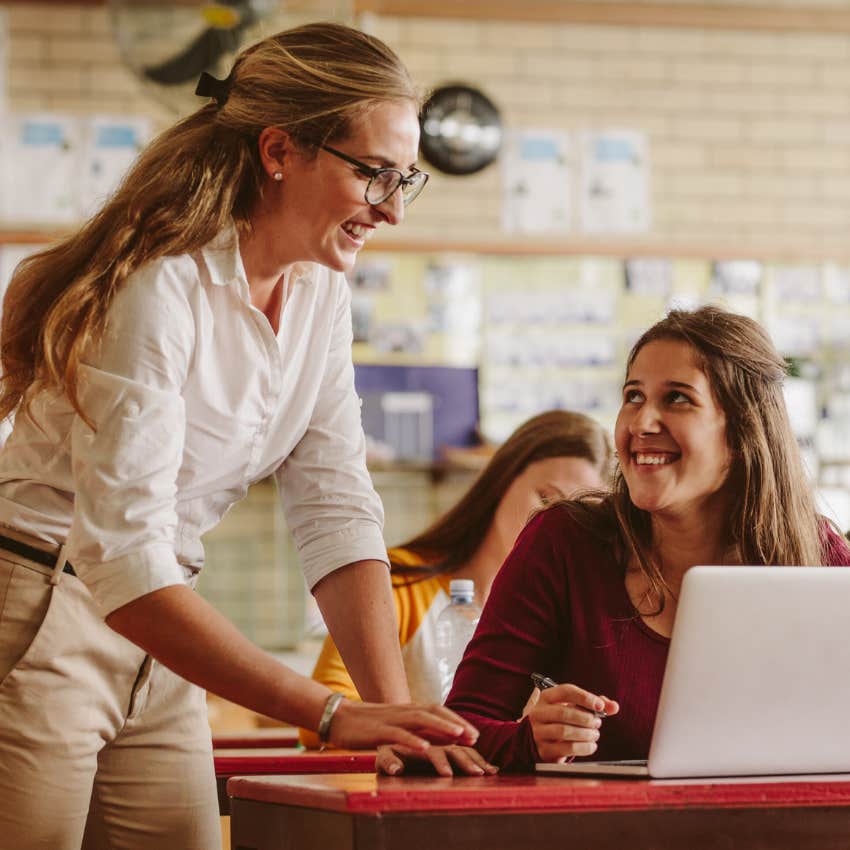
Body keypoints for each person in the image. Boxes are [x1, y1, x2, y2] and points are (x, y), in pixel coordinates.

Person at [0, 23, 477, 850]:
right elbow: (122, 558)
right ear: (280, 150)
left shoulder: (319, 290)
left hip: (161, 624)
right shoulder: (159, 286)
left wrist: (395, 722)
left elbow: (334, 504)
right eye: (372, 174)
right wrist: (331, 713)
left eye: (406, 179)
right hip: (43, 610)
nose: (393, 209)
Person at [377, 306, 850, 777]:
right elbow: (459, 730)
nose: (642, 422)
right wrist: (529, 739)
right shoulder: (565, 542)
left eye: (678, 399)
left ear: (745, 429)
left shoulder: (821, 559)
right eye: (633, 396)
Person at [301, 409, 613, 750]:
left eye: (575, 518)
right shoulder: (399, 582)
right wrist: (425, 738)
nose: (553, 526)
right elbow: (323, 717)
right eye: (545, 498)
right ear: (501, 482)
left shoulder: (573, 614)